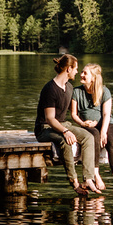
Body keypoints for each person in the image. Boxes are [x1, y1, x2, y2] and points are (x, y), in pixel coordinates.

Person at [34, 53, 98, 195]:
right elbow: (50, 119)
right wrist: (65, 131)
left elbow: (74, 111)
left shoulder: (69, 88)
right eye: (75, 69)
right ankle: (74, 182)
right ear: (68, 69)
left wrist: (85, 122)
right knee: (66, 141)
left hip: (63, 124)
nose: (77, 72)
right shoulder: (50, 89)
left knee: (88, 137)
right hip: (44, 128)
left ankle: (88, 178)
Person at [72, 63, 113, 198]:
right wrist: (83, 123)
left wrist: (104, 131)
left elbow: (106, 114)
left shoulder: (104, 91)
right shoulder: (77, 91)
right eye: (81, 72)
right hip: (88, 126)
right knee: (93, 137)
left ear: (93, 78)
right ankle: (96, 174)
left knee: (112, 140)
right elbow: (73, 114)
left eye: (85, 73)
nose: (81, 75)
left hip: (106, 124)